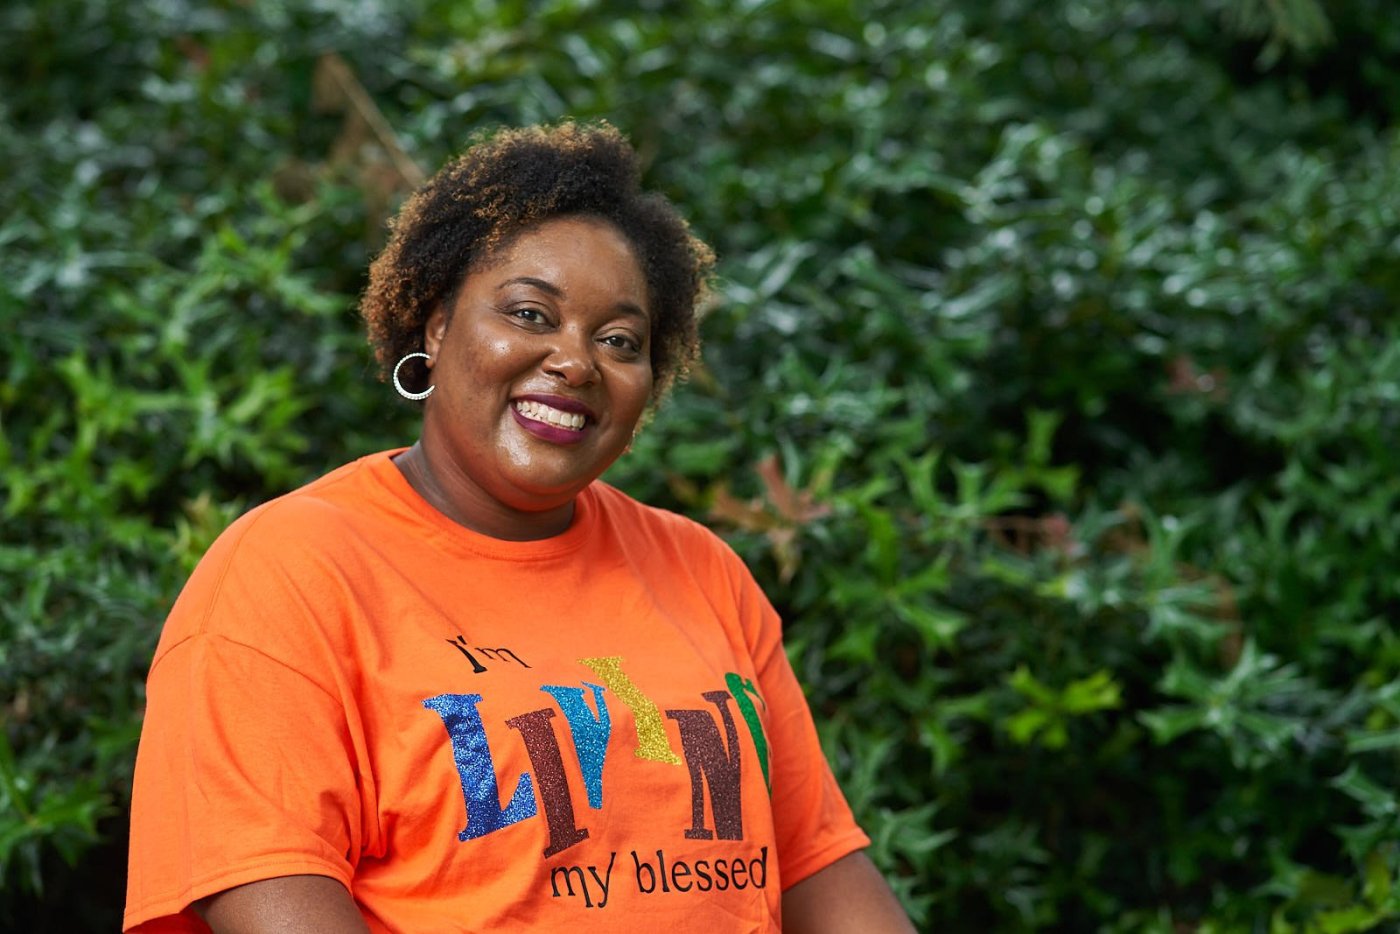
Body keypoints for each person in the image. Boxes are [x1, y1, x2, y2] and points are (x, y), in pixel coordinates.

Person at [124, 122, 913, 933]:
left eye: (619, 340)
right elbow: (268, 892)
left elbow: (822, 868)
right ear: (435, 325)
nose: (576, 361)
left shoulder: (701, 569)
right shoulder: (288, 574)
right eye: (532, 314)